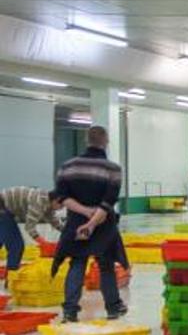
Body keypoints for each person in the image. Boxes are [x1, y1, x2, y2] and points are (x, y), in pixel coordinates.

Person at [52, 126, 128, 322]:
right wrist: (92, 221)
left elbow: (62, 197)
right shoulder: (113, 169)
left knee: (77, 263)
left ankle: (70, 310)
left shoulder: (67, 166)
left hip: (76, 221)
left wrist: (84, 214)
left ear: (87, 141)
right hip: (103, 223)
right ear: (106, 141)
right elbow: (108, 202)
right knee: (106, 264)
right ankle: (113, 308)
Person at [0, 187, 64, 272]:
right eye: (62, 205)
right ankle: (11, 276)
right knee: (16, 245)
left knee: (4, 237)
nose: (62, 208)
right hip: (2, 207)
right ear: (56, 200)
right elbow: (29, 227)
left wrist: (70, 232)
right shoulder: (39, 202)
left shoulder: (48, 202)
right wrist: (44, 243)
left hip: (5, 208)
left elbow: (54, 221)